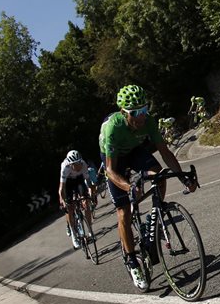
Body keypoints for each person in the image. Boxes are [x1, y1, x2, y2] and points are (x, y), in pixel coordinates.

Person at [100, 84, 197, 288]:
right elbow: (110, 170)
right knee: (124, 211)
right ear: (124, 112)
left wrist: (182, 178)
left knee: (159, 175)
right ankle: (132, 260)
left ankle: (155, 215)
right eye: (136, 112)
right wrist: (128, 186)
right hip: (115, 159)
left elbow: (165, 152)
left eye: (145, 109)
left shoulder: (148, 122)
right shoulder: (113, 127)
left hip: (134, 151)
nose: (141, 116)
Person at [58, 149, 95, 249]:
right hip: (68, 183)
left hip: (79, 180)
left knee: (86, 202)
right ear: (70, 164)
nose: (78, 166)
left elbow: (88, 182)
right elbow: (61, 188)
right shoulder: (65, 167)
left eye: (79, 163)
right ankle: (74, 234)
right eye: (75, 164)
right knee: (69, 208)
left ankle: (90, 229)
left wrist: (90, 195)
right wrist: (62, 200)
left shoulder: (83, 164)